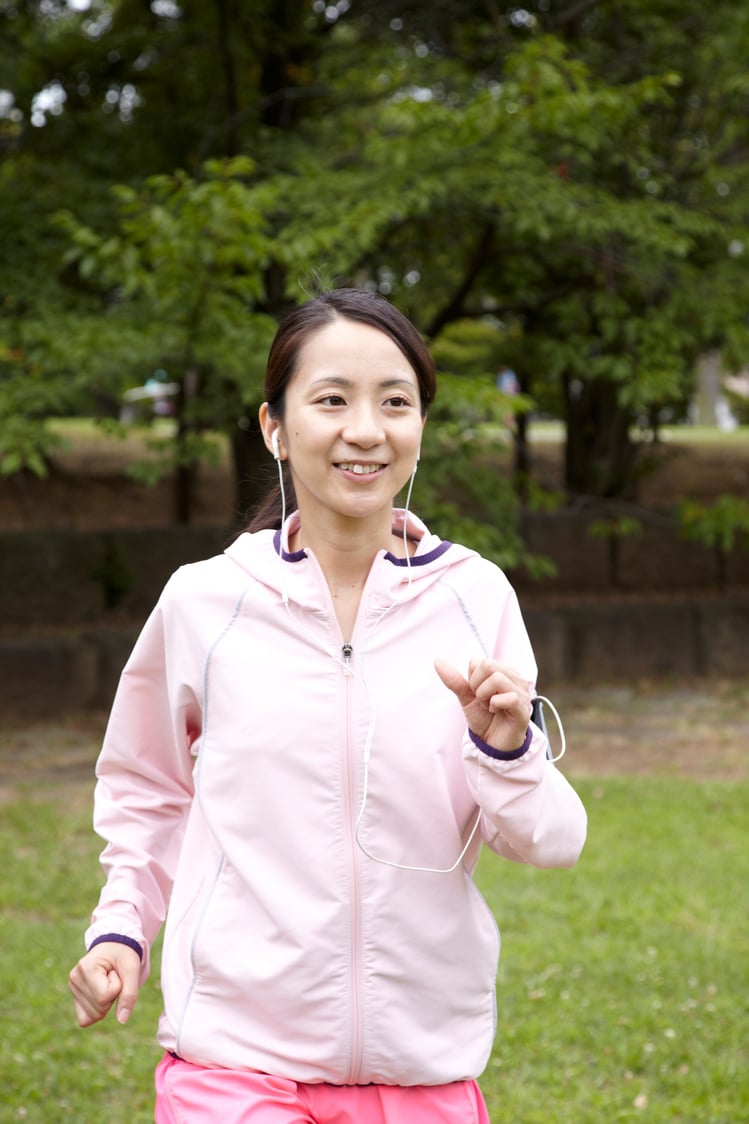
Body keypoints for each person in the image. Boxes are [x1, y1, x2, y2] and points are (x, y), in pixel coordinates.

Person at [69, 288, 587, 1123]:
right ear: (274, 426)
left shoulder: (474, 597)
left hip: (423, 1072)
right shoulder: (207, 601)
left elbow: (552, 842)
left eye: (395, 402)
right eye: (332, 399)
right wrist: (120, 929)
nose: (365, 430)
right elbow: (148, 788)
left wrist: (506, 753)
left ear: (419, 428)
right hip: (235, 1066)